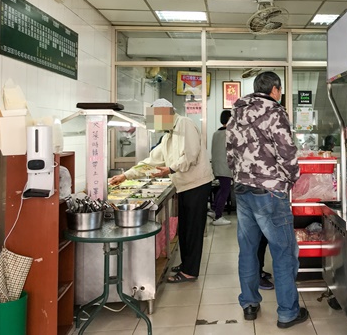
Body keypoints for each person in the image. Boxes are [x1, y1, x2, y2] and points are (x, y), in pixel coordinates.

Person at [226, 71, 309, 328]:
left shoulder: (236, 112)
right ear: (275, 89)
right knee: (283, 252)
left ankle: (249, 303)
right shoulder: (276, 112)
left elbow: (229, 152)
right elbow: (287, 152)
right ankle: (287, 312)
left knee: (248, 249)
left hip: (242, 189)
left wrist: (240, 175)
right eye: (280, 90)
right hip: (271, 191)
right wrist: (290, 179)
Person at [108, 98, 214, 283]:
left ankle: (190, 271)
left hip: (197, 184)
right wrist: (126, 176)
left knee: (193, 229)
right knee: (185, 228)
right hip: (184, 185)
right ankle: (186, 263)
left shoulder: (185, 124)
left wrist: (170, 169)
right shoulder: (168, 136)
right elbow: (151, 161)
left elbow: (191, 154)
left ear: (166, 114)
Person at [209, 110, 233, 226]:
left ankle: (214, 209)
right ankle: (218, 216)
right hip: (225, 167)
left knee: (222, 188)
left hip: (217, 166)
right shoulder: (229, 133)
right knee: (225, 190)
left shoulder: (216, 133)